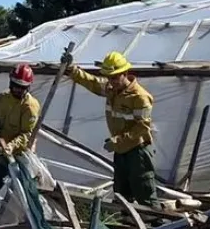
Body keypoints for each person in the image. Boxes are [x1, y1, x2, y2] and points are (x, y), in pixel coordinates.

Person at [63, 50, 158, 207]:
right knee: (122, 197)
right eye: (108, 77)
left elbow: (142, 127)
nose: (111, 81)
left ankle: (158, 228)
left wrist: (118, 141)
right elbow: (92, 82)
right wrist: (72, 70)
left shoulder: (140, 97)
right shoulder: (111, 90)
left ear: (125, 73)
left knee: (145, 196)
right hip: (121, 151)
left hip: (138, 152)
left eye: (114, 77)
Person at [0, 63, 41, 214]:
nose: (18, 89)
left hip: (20, 157)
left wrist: (11, 146)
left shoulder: (30, 106)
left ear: (28, 87)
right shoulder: (2, 98)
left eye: (22, 87)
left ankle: (19, 223)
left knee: (20, 194)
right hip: (1, 154)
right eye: (15, 85)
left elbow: (27, 134)